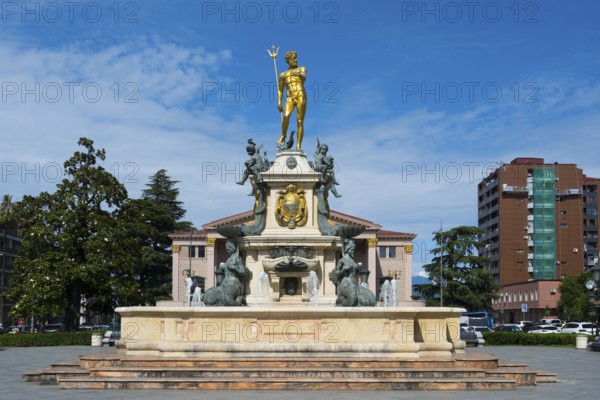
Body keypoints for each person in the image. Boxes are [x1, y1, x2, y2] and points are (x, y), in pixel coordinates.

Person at [277, 51, 307, 151]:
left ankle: (298, 145)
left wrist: (299, 74)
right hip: (290, 97)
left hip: (300, 94)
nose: (296, 60)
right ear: (288, 60)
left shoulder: (301, 69)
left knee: (299, 121)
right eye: (293, 58)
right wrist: (279, 102)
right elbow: (280, 90)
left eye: (296, 57)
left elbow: (304, 77)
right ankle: (283, 135)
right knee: (286, 116)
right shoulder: (283, 75)